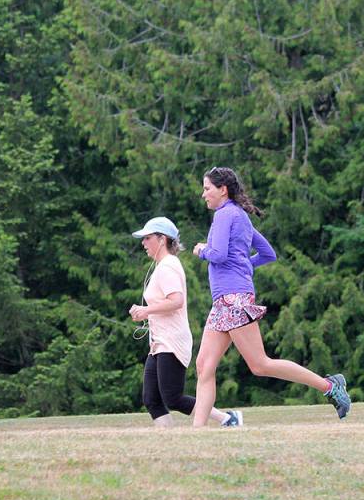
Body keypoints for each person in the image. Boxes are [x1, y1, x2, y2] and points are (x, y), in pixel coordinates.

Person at [190, 167, 351, 426]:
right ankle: (196, 434)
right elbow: (268, 254)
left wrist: (202, 250)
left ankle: (330, 386)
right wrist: (244, 265)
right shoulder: (240, 216)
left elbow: (218, 254)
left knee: (260, 364)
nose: (203, 194)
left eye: (207, 188)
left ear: (223, 190)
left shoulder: (224, 215)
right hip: (225, 300)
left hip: (233, 299)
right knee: (204, 367)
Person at [128, 216, 243, 428]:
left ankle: (228, 419)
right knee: (151, 398)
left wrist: (146, 310)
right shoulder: (162, 266)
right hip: (159, 343)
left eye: (147, 238)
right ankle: (169, 440)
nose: (143, 243)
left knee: (173, 398)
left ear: (162, 239)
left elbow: (177, 300)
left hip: (171, 341)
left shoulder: (168, 265)